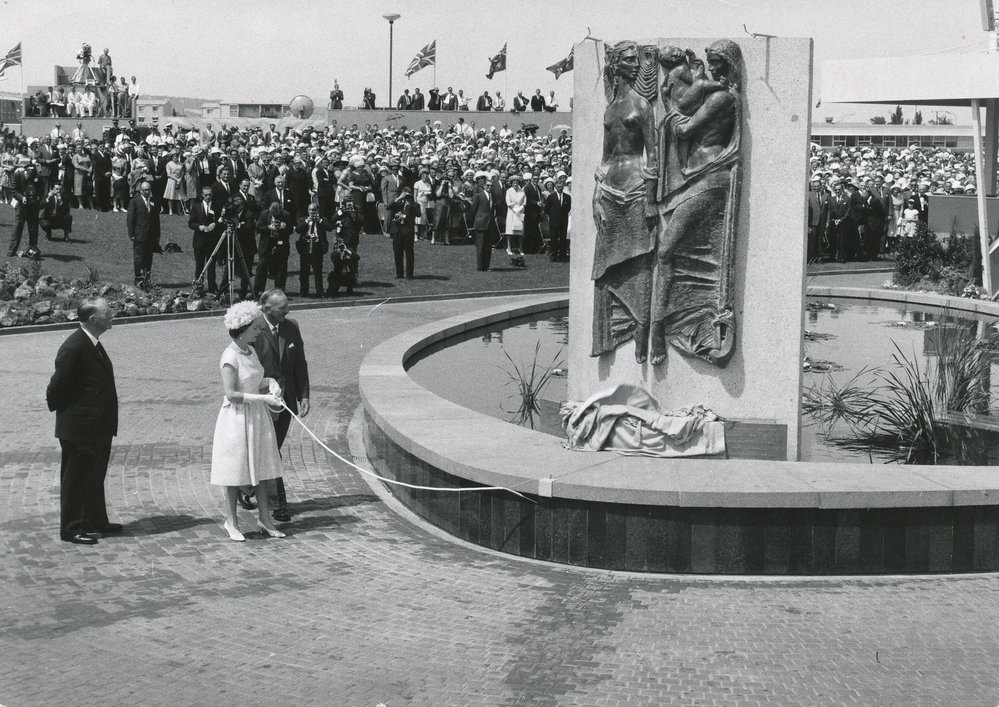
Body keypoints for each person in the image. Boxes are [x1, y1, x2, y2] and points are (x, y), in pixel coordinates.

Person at [46, 297, 121, 545]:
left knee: (93, 475)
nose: (112, 316)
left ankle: (95, 521)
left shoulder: (93, 343)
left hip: (96, 427)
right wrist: (74, 415)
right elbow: (56, 388)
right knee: (76, 479)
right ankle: (72, 527)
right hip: (80, 428)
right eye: (108, 313)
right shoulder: (75, 346)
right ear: (93, 319)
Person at [210, 300, 287, 542]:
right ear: (242, 330)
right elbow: (231, 394)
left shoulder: (250, 351)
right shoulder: (229, 356)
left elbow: (255, 379)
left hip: (257, 417)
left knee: (262, 468)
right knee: (235, 472)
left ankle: (265, 519)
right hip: (236, 419)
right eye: (254, 328)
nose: (258, 331)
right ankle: (231, 521)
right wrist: (263, 397)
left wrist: (270, 384)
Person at [249, 290, 310, 523]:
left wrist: (304, 395)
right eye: (281, 308)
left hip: (285, 403)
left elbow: (300, 364)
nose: (287, 311)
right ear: (266, 308)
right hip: (261, 401)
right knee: (270, 450)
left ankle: (246, 489)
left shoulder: (291, 327)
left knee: (270, 448)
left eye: (287, 306)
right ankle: (278, 503)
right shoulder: (253, 329)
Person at [126, 180, 161, 288]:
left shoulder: (153, 201)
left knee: (148, 258)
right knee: (139, 258)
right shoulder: (135, 201)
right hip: (139, 234)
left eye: (148, 190)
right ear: (141, 190)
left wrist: (157, 235)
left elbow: (156, 219)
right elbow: (130, 218)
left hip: (151, 235)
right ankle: (138, 279)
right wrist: (131, 233)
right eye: (144, 190)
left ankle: (147, 278)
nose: (146, 192)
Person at [7, 156, 43, 259]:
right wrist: (22, 198)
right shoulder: (18, 175)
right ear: (25, 171)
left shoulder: (38, 177)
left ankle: (33, 249)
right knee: (17, 227)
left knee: (33, 229)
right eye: (28, 173)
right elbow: (13, 191)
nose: (30, 175)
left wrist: (37, 198)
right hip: (21, 206)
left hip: (33, 206)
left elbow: (41, 190)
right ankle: (12, 250)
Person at [254, 201, 292, 294]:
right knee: (261, 267)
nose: (274, 215)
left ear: (280, 210)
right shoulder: (264, 213)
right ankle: (257, 291)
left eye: (276, 213)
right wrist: (268, 227)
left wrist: (285, 227)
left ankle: (279, 291)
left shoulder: (286, 215)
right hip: (266, 245)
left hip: (280, 245)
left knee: (281, 269)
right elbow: (258, 228)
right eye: (272, 213)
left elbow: (291, 229)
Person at [189, 185, 220, 292]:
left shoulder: (216, 206)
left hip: (212, 241)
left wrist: (215, 224)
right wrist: (200, 227)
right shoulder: (196, 206)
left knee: (211, 267)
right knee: (199, 266)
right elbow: (191, 223)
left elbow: (221, 221)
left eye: (210, 195)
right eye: (206, 195)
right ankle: (198, 287)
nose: (208, 197)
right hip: (199, 241)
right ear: (202, 195)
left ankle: (212, 288)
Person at [295, 202, 331, 297]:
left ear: (317, 211)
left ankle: (320, 291)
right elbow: (298, 230)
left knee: (318, 271)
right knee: (304, 271)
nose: (312, 212)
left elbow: (330, 228)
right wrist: (307, 222)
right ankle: (303, 292)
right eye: (310, 210)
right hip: (305, 247)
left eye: (314, 210)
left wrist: (320, 221)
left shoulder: (322, 220)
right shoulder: (303, 219)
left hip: (317, 247)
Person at [468, 171, 498, 271]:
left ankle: (486, 266)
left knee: (488, 247)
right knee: (480, 247)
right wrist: (475, 222)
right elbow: (473, 210)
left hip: (490, 224)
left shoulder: (492, 197)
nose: (489, 187)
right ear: (484, 186)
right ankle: (480, 267)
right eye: (487, 186)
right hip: (480, 224)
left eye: (491, 186)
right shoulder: (479, 196)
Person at [388, 186, 419, 278]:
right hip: (397, 231)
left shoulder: (414, 205)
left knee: (409, 254)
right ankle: (399, 273)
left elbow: (418, 214)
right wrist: (399, 198)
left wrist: (411, 204)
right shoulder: (398, 204)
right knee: (397, 253)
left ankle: (409, 274)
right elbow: (389, 207)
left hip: (408, 232)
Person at [545, 172, 572, 262]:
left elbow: (568, 208)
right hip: (554, 221)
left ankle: (563, 256)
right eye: (558, 186)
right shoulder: (551, 197)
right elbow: (547, 209)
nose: (560, 188)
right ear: (555, 187)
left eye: (561, 187)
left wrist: (562, 216)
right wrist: (553, 216)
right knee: (554, 239)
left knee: (563, 239)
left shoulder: (567, 197)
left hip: (563, 221)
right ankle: (554, 256)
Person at [504, 173, 527, 265]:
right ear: (511, 183)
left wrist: (520, 208)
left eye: (517, 183)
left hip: (520, 211)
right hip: (511, 212)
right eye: (514, 183)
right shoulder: (509, 191)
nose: (515, 184)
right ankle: (509, 248)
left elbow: (525, 201)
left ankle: (520, 248)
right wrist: (514, 209)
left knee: (520, 232)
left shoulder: (522, 191)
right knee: (510, 231)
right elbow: (508, 202)